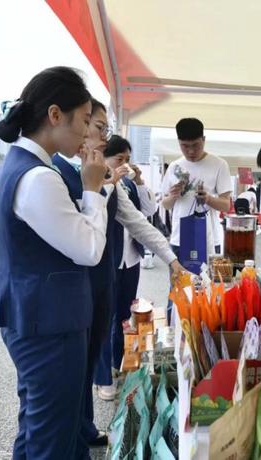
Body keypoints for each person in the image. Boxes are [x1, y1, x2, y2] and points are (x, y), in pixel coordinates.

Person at [0, 66, 109, 459]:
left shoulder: (18, 165)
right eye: (85, 121)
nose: (87, 133)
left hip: (33, 314)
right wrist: (92, 190)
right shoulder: (39, 177)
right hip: (49, 323)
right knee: (52, 437)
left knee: (39, 425)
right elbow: (88, 249)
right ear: (55, 115)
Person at [95, 134, 180, 401]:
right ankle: (103, 377)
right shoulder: (95, 182)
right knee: (102, 319)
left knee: (122, 317)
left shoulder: (127, 186)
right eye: (119, 159)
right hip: (104, 260)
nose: (124, 164)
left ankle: (120, 363)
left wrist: (139, 180)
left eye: (127, 159)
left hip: (129, 258)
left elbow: (147, 214)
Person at [161, 118, 232, 258]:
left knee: (208, 279)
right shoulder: (174, 166)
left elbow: (226, 205)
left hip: (209, 238)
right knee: (180, 280)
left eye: (196, 145)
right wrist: (173, 196)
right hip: (179, 238)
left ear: (203, 139)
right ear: (178, 142)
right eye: (185, 146)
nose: (191, 151)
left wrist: (208, 199)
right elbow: (165, 204)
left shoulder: (219, 164)